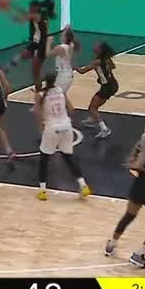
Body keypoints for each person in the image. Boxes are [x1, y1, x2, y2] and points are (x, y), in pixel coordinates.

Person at [105, 124, 145, 269]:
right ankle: (139, 254)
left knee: (129, 215)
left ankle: (112, 244)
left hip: (138, 185)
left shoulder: (139, 147)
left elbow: (131, 163)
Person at [33, 72, 91, 201]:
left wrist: (42, 127)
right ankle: (83, 185)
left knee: (44, 159)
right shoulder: (60, 91)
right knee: (68, 157)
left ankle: (42, 190)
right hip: (66, 126)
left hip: (52, 128)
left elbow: (38, 114)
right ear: (55, 80)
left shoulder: (40, 95)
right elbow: (71, 109)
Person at [4, 0, 53, 94]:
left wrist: (10, 7)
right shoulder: (41, 14)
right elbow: (24, 14)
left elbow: (23, 15)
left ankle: (39, 95)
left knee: (35, 74)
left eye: (30, 7)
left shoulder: (37, 16)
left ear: (35, 8)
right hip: (35, 43)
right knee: (22, 55)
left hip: (40, 46)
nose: (29, 9)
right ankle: (6, 69)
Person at [76, 42, 118, 139]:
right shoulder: (107, 59)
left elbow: (82, 71)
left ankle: (104, 129)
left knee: (92, 108)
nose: (94, 46)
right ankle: (92, 119)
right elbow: (113, 66)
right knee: (94, 105)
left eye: (97, 46)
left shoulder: (97, 62)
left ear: (100, 50)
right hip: (112, 84)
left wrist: (71, 65)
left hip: (107, 87)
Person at [49, 26, 79, 97]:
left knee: (55, 96)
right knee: (62, 96)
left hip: (63, 76)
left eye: (63, 34)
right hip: (67, 74)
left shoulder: (60, 47)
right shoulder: (71, 45)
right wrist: (68, 29)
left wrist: (48, 42)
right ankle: (69, 108)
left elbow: (47, 54)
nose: (61, 35)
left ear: (65, 37)